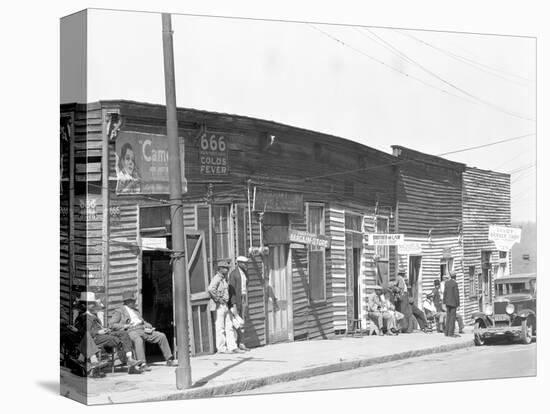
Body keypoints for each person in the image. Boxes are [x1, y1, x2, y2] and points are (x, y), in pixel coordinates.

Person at [74, 292, 144, 374]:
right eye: (90, 303)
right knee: (114, 339)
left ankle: (130, 359)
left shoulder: (94, 315)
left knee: (123, 333)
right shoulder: (81, 317)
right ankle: (94, 361)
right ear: (84, 305)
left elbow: (100, 326)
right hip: (94, 338)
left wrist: (105, 329)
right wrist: (98, 332)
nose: (93, 305)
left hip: (103, 334)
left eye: (93, 303)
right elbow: (82, 331)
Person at [109, 291, 175, 370]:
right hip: (130, 330)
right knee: (138, 340)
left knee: (161, 336)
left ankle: (169, 359)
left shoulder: (136, 311)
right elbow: (112, 324)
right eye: (133, 300)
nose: (135, 302)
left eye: (134, 300)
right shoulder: (119, 311)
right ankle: (142, 364)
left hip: (142, 329)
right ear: (127, 301)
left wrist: (148, 325)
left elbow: (142, 321)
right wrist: (125, 326)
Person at [208, 259, 242, 353]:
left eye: (227, 268)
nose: (227, 270)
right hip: (219, 305)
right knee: (220, 327)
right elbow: (210, 289)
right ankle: (221, 348)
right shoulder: (217, 278)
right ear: (220, 269)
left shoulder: (224, 278)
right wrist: (218, 299)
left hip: (225, 304)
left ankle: (232, 347)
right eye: (225, 268)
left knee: (229, 325)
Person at [228, 255, 251, 351]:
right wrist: (233, 303)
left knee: (243, 320)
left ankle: (242, 342)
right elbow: (231, 290)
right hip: (237, 299)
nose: (245, 265)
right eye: (243, 263)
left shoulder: (245, 273)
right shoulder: (234, 274)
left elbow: (246, 285)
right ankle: (235, 344)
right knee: (237, 321)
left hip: (244, 297)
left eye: (246, 263)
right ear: (238, 263)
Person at [443, 272, 461, 337]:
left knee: (448, 317)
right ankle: (451, 333)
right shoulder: (455, 284)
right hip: (453, 303)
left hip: (447, 302)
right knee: (452, 318)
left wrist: (444, 302)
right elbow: (456, 295)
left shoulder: (447, 283)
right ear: (455, 277)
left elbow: (445, 293)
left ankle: (446, 333)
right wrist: (458, 304)